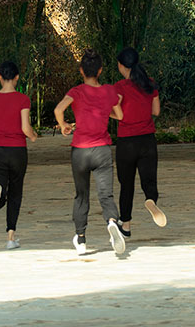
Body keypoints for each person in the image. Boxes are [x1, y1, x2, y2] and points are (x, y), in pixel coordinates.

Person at [53, 48, 125, 256]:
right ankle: (112, 221)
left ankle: (81, 239)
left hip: (80, 152)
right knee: (106, 194)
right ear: (100, 71)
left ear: (81, 71)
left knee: (81, 196)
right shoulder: (109, 92)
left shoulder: (76, 92)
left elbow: (58, 110)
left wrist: (64, 124)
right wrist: (103, 110)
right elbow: (119, 115)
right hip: (101, 150)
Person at [0, 60, 39, 249]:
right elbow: (25, 127)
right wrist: (33, 136)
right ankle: (10, 238)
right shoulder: (23, 99)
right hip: (18, 150)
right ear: (16, 77)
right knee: (16, 192)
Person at [113, 46, 166, 237]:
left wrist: (112, 115)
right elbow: (156, 111)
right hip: (147, 140)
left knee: (126, 184)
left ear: (121, 65)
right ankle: (151, 199)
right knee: (149, 179)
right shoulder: (149, 83)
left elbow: (116, 108)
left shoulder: (119, 87)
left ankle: (125, 224)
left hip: (126, 141)